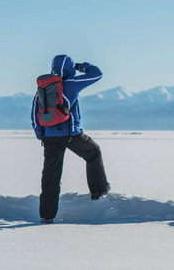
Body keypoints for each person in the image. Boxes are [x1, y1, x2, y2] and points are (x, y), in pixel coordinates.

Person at [31, 54, 110, 224]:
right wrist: (81, 67)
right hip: (71, 136)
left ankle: (47, 216)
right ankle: (99, 191)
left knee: (51, 176)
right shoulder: (71, 84)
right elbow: (97, 74)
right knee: (93, 152)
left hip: (50, 138)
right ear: (69, 68)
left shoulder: (43, 88)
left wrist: (41, 135)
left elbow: (33, 114)